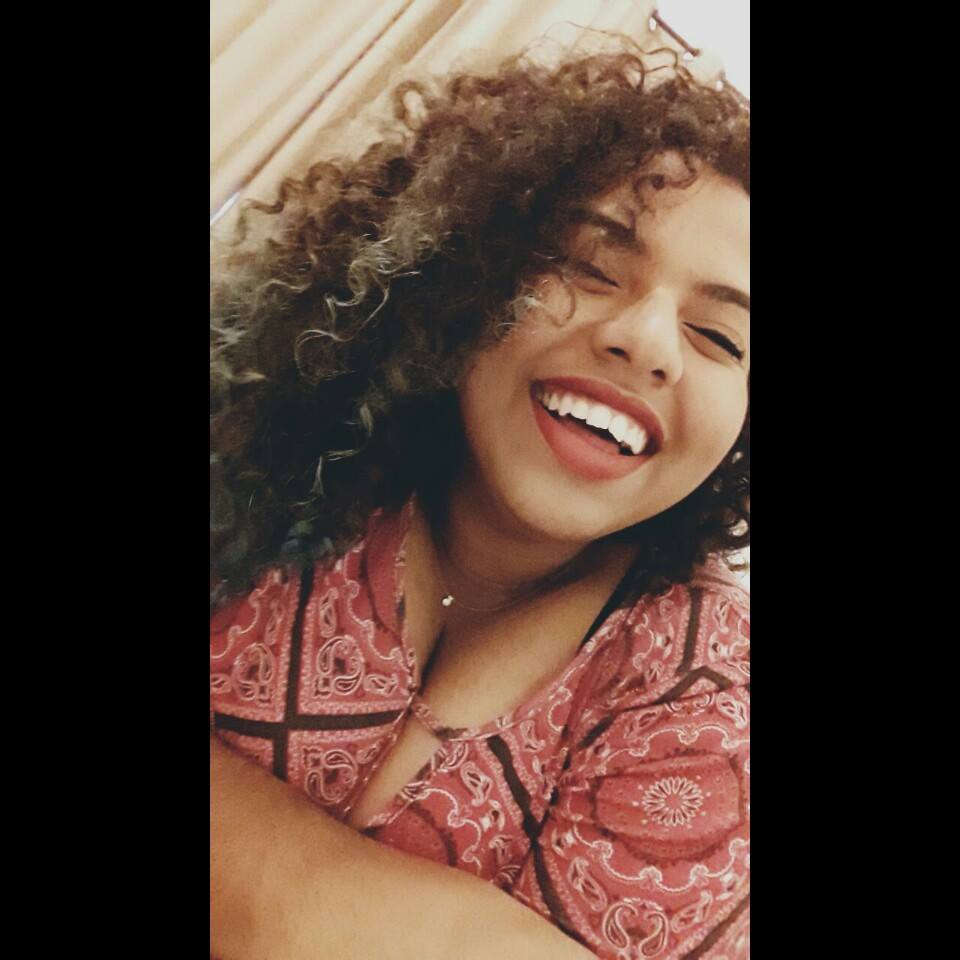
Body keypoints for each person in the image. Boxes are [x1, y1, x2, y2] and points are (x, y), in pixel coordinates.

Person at [211, 36, 749, 960]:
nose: (649, 341)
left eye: (722, 338)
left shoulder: (708, 685)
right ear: (467, 265)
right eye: (591, 265)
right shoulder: (259, 437)